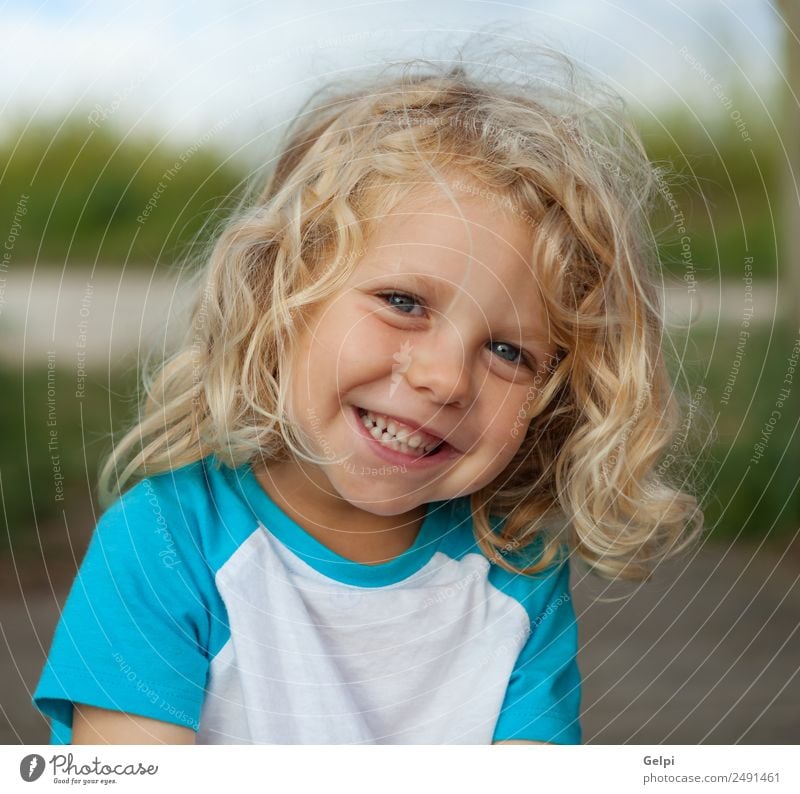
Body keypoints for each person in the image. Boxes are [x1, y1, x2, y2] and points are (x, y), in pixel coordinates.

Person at [33, 47, 703, 745]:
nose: (444, 378)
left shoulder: (515, 576)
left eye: (509, 351)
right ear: (281, 296)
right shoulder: (166, 543)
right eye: (403, 302)